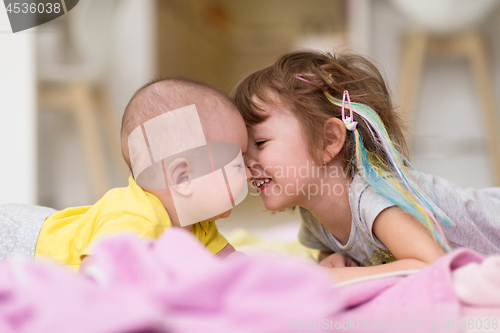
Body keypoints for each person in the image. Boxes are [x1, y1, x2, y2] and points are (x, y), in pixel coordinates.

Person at [233, 51, 500, 283]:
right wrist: (332, 261)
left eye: (260, 142)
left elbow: (430, 264)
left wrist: (342, 277)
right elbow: (331, 251)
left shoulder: (373, 198)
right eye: (244, 151)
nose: (246, 163)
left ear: (328, 140)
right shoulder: (313, 216)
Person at [0, 77, 249, 271]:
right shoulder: (134, 217)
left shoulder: (200, 225)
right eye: (237, 164)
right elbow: (97, 276)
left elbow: (231, 266)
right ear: (183, 178)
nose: (249, 173)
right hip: (17, 242)